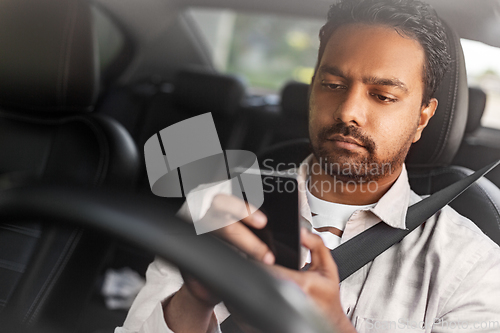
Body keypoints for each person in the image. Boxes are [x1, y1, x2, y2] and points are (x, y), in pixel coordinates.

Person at [116, 0, 500, 332]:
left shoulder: (469, 265)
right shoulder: (217, 204)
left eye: (382, 96)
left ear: (422, 118)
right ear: (313, 87)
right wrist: (193, 299)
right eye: (332, 85)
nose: (349, 111)